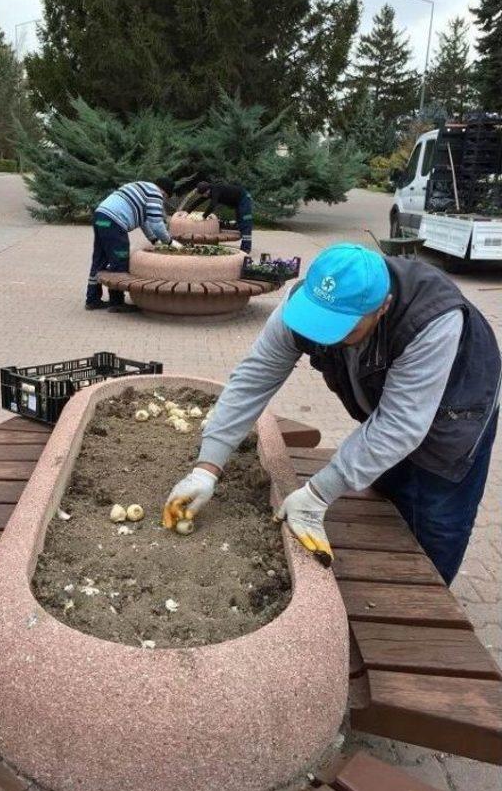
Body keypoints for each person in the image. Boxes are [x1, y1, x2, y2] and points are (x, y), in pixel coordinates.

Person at [164, 243, 500, 585]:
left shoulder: (430, 318)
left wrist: (317, 494)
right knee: (387, 492)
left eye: (344, 328)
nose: (327, 337)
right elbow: (254, 378)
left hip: (456, 411)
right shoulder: (307, 301)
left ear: (382, 308)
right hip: (393, 407)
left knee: (435, 518)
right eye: (319, 323)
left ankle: (428, 605)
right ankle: (385, 583)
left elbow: (400, 426)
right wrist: (207, 467)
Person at [86, 178, 180, 312]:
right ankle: (117, 303)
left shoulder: (143, 188)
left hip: (101, 217)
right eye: (165, 197)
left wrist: (154, 240)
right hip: (114, 222)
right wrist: (170, 242)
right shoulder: (155, 193)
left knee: (100, 258)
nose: (163, 200)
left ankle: (92, 299)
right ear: (164, 192)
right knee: (120, 259)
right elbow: (157, 225)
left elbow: (144, 221)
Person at [187, 181, 254, 253]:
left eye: (205, 194)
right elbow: (198, 201)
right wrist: (187, 212)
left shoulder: (216, 190)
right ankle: (244, 246)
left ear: (208, 190)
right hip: (238, 202)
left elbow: (212, 205)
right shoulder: (209, 191)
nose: (205, 196)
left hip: (244, 198)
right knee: (240, 222)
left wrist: (204, 216)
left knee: (245, 222)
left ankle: (246, 249)